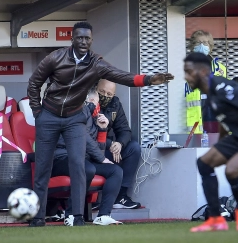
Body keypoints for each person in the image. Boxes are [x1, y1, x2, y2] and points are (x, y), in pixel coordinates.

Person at [27, 21, 174, 227]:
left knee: (78, 165)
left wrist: (148, 80)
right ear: (72, 38)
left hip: (74, 118)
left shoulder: (97, 63)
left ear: (91, 40)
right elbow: (34, 83)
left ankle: (77, 217)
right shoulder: (56, 57)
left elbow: (122, 76)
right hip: (49, 116)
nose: (83, 41)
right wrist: (37, 112)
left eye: (87, 38)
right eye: (79, 37)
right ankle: (38, 217)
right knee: (43, 167)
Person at [183, 52, 238, 232]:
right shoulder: (210, 97)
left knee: (232, 170)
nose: (186, 76)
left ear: (203, 71)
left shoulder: (223, 87)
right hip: (237, 136)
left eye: (189, 72)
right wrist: (221, 147)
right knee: (204, 163)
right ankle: (216, 218)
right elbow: (224, 122)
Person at [51, 89, 123, 226]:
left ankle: (103, 215)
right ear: (89, 102)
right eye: (96, 102)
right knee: (87, 168)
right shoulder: (73, 113)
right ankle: (71, 214)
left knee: (115, 171)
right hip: (62, 158)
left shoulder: (93, 119)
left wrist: (102, 130)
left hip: (83, 159)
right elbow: (84, 139)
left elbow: (98, 151)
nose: (98, 106)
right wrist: (102, 160)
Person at [96, 79, 141, 209]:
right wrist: (110, 143)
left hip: (108, 149)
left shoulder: (115, 104)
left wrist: (119, 144)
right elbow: (87, 134)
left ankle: (120, 196)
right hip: (91, 150)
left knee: (134, 148)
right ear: (95, 89)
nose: (105, 96)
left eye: (109, 94)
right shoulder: (89, 101)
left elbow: (125, 130)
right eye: (102, 92)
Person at [185, 30, 227, 134]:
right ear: (192, 46)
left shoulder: (220, 68)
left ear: (210, 46)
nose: (202, 45)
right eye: (198, 43)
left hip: (214, 116)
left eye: (205, 43)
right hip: (193, 120)